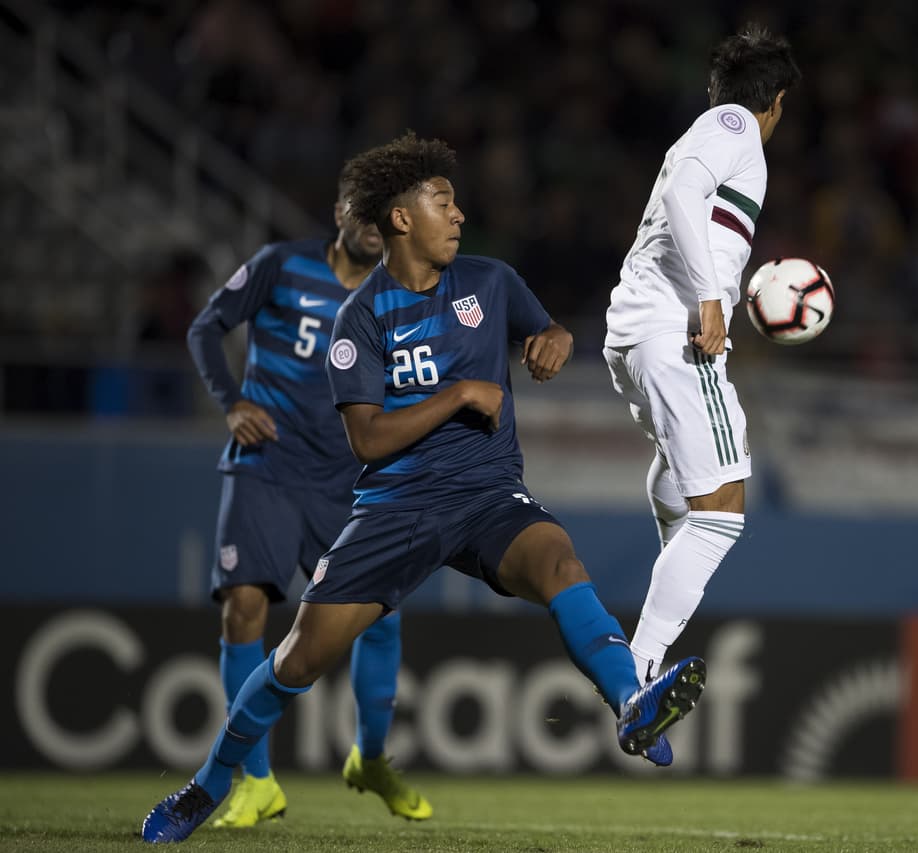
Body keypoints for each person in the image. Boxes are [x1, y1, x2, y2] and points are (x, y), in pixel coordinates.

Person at [143, 132, 706, 844]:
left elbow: (551, 332)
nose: (460, 214)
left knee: (559, 557)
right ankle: (211, 783)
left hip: (487, 494)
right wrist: (457, 394)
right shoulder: (360, 321)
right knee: (298, 657)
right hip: (396, 509)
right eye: (444, 201)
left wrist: (555, 341)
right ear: (402, 219)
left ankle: (630, 701)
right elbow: (367, 440)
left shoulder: (492, 281)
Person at [185, 170, 433, 827]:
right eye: (364, 209)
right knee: (243, 608)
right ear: (341, 210)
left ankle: (371, 757)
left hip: (350, 484)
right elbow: (206, 328)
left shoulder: (398, 296)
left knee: (379, 618)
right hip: (266, 468)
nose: (373, 223)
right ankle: (257, 778)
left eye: (386, 214)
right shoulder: (280, 265)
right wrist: (232, 401)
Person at [602, 25, 800, 706]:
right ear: (773, 101)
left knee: (681, 485)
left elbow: (693, 206)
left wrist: (723, 284)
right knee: (723, 510)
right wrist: (712, 300)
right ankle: (638, 672)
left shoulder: (705, 131)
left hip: (634, 332)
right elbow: (688, 191)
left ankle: (645, 660)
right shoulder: (735, 125)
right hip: (676, 329)